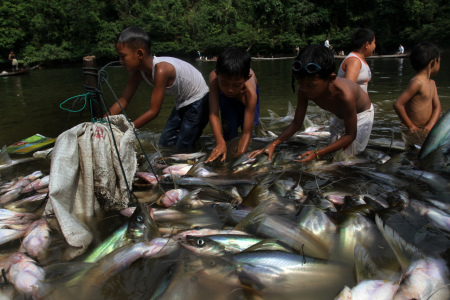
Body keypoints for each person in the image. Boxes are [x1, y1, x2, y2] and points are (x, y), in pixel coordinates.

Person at [249, 45, 374, 162]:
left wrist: (317, 153)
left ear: (331, 79)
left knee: (347, 159)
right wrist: (272, 145)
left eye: (311, 85)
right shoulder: (304, 90)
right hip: (340, 116)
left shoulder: (345, 95)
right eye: (300, 83)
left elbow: (351, 135)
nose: (304, 89)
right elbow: (297, 123)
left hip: (361, 116)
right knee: (332, 155)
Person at [105, 26, 209, 149]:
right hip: (182, 101)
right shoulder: (137, 74)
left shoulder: (161, 70)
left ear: (139, 54)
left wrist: (129, 129)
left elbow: (154, 111)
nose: (120, 61)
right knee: (165, 143)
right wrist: (102, 122)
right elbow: (123, 100)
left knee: (183, 146)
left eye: (123, 56)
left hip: (199, 100)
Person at [205, 47, 260, 162]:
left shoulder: (251, 94)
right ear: (217, 74)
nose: (229, 90)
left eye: (235, 85)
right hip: (226, 99)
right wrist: (220, 142)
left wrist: (240, 156)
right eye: (224, 83)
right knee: (229, 133)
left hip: (245, 95)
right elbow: (213, 113)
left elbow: (246, 132)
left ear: (246, 79)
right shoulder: (214, 78)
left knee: (251, 128)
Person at [393, 42, 441, 134]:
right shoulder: (417, 82)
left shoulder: (432, 83)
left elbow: (437, 107)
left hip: (425, 129)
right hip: (412, 130)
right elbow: (398, 104)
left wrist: (430, 125)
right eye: (439, 61)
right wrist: (410, 126)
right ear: (433, 62)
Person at [337, 28, 376, 93]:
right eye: (374, 43)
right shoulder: (354, 61)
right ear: (366, 45)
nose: (375, 46)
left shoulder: (360, 60)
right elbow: (348, 90)